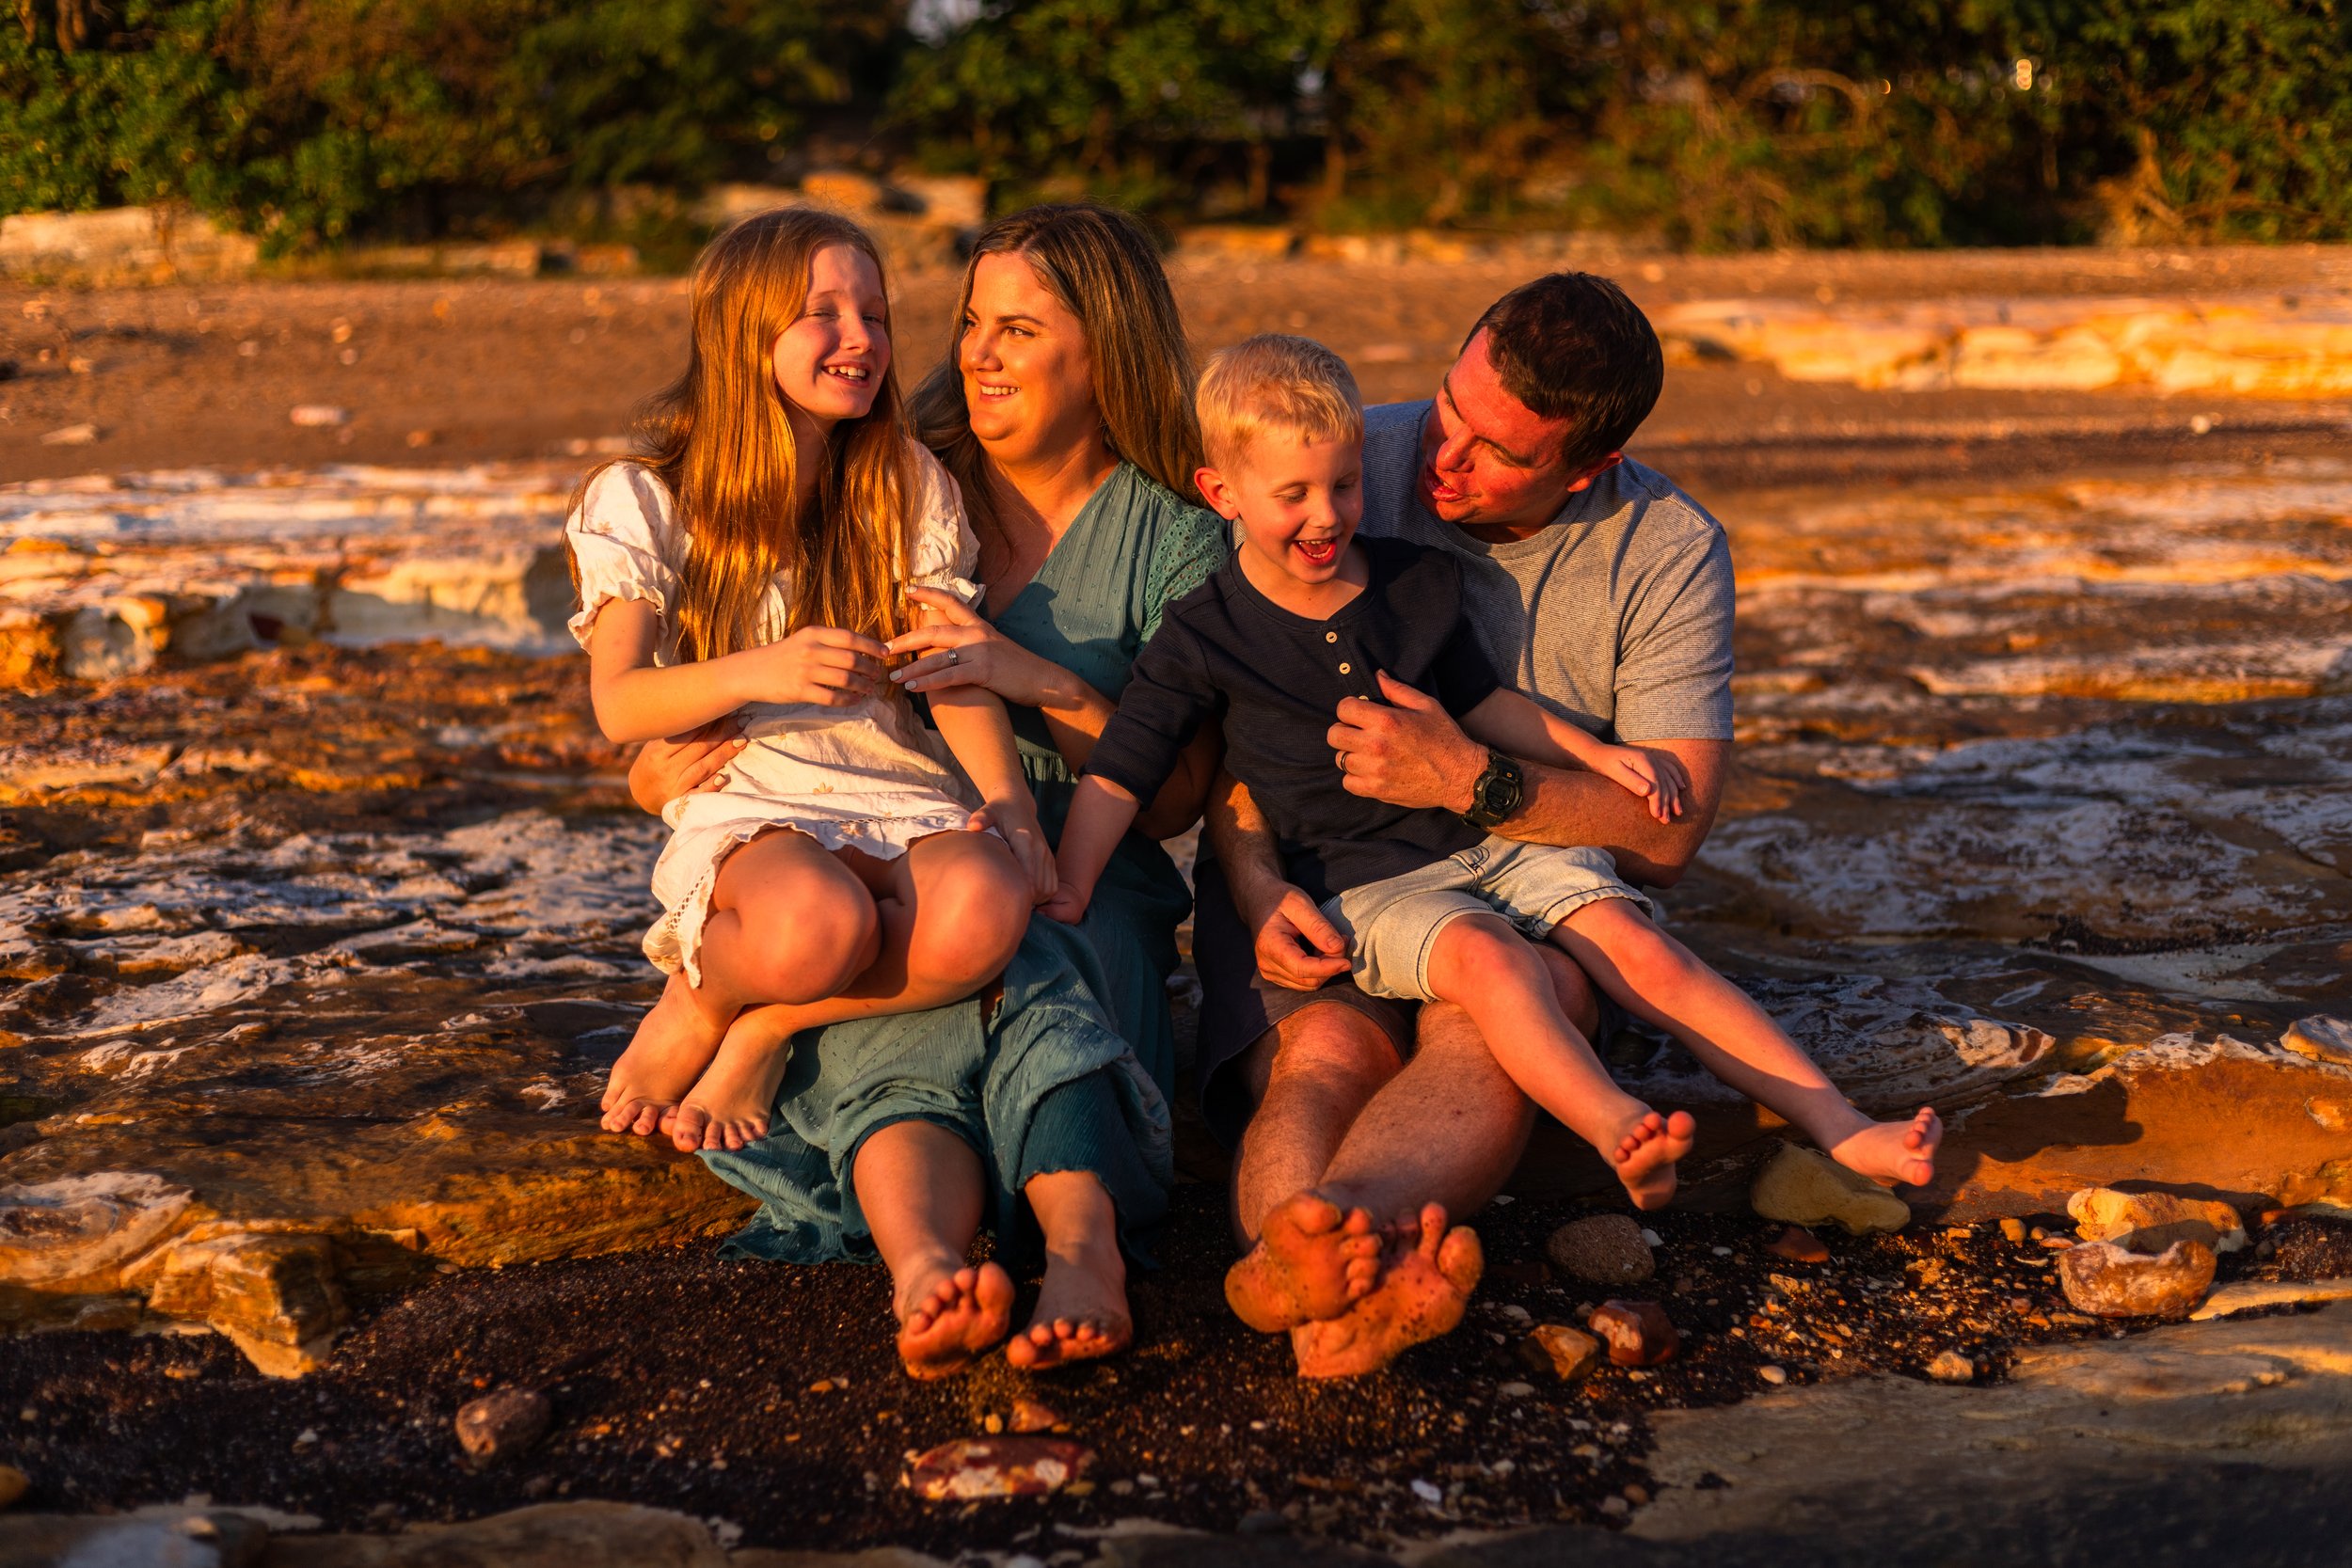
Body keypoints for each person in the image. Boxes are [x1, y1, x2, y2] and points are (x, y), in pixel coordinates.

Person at [1192, 277, 1945, 1377]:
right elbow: (1226, 723)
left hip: (1515, 894)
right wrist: (1258, 890)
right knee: (1325, 1043)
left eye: (1496, 452)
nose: (1441, 458)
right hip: (1317, 876)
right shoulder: (1335, 466)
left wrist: (1469, 779)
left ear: (1582, 469)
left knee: (1496, 1020)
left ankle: (1324, 1260)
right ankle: (1319, 1279)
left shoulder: (1666, 546)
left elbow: (1666, 840)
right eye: (1450, 406)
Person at [624, 204, 1229, 1377]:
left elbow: (1181, 794)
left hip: (1087, 866)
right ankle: (928, 1267)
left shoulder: (1174, 536)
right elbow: (728, 637)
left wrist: (1036, 677)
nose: (976, 354)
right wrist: (656, 763)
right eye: (966, 324)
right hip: (893, 846)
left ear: (1103, 344)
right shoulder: (900, 468)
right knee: (917, 972)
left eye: (1017, 328)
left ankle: (1081, 1251)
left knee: (1056, 973)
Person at [570, 208, 1054, 1159]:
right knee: (818, 926)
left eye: (873, 314)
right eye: (822, 313)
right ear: (744, 333)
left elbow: (950, 674)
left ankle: (764, 1027)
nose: (861, 339)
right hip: (756, 799)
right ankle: (701, 995)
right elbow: (619, 700)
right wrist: (766, 668)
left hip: (896, 790)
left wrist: (1014, 813)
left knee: (986, 908)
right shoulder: (651, 493)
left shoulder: (905, 482)